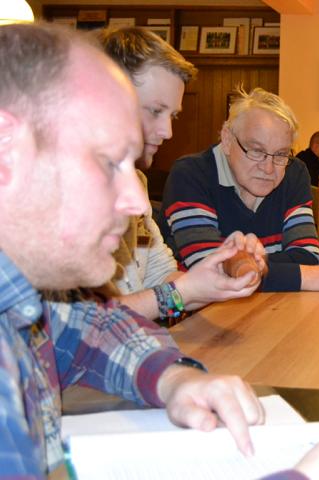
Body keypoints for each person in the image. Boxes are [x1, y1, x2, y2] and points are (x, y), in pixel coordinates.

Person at [0, 23, 319, 479]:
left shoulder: (29, 296)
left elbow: (90, 329)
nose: (139, 201)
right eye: (108, 162)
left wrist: (174, 377)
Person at [96, 27, 264, 322]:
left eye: (172, 115)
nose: (168, 132)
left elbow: (161, 276)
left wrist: (221, 272)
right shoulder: (63, 192)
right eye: (155, 111)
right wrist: (184, 291)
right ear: (105, 100)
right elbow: (80, 322)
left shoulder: (136, 183)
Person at [161, 88, 319, 293]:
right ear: (227, 139)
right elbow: (209, 271)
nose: (268, 169)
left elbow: (307, 257)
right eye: (256, 151)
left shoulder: (294, 173)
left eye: (281, 154)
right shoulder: (191, 174)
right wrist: (312, 277)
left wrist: (242, 264)